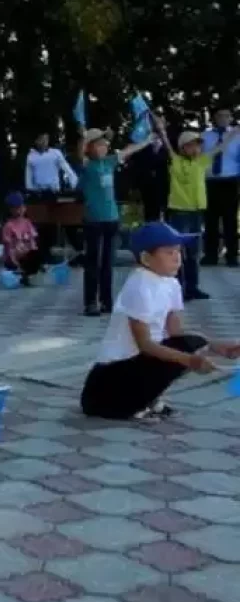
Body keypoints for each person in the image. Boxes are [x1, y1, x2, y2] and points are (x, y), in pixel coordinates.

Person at [80, 222, 239, 420]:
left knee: (190, 344)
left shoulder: (171, 283)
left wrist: (218, 347)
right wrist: (191, 361)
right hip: (109, 380)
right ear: (146, 258)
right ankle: (134, 404)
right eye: (169, 252)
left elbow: (176, 334)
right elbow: (145, 345)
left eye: (178, 251)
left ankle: (148, 399)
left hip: (136, 365)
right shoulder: (139, 286)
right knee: (183, 353)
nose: (177, 257)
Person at [75, 127, 152, 314]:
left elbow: (128, 150)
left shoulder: (109, 162)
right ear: (90, 148)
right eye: (99, 145)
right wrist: (83, 137)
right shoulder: (87, 165)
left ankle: (106, 301)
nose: (103, 148)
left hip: (112, 218)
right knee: (93, 262)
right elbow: (79, 153)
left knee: (108, 263)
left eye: (105, 145)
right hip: (93, 220)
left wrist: (148, 140)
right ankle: (90, 302)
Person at [166, 125, 237, 300]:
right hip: (180, 212)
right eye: (191, 145)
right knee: (178, 252)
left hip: (196, 212)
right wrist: (161, 130)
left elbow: (219, 148)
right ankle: (178, 288)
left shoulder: (201, 161)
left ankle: (192, 287)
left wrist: (233, 133)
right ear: (182, 148)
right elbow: (168, 147)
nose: (196, 148)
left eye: (198, 145)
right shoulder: (176, 161)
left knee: (193, 253)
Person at [25, 133, 79, 261]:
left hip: (53, 192)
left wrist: (74, 182)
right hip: (38, 192)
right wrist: (30, 187)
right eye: (40, 139)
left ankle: (49, 250)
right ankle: (42, 251)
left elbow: (66, 167)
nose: (43, 142)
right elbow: (28, 174)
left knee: (52, 222)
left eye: (46, 139)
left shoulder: (55, 153)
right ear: (36, 141)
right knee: (41, 223)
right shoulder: (31, 156)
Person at [202, 108, 239, 266]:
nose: (223, 118)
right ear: (214, 118)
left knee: (230, 220)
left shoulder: (238, 135)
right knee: (210, 221)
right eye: (219, 115)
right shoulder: (205, 136)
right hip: (210, 182)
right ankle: (210, 255)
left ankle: (231, 256)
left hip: (230, 182)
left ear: (231, 118)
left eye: (226, 116)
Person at [2, 191, 43, 285]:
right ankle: (22, 273)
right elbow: (8, 247)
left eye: (22, 207)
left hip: (26, 254)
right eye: (16, 208)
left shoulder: (27, 222)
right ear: (10, 210)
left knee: (35, 255)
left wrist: (34, 252)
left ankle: (30, 272)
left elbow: (32, 240)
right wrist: (14, 261)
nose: (20, 210)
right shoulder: (9, 226)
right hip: (14, 256)